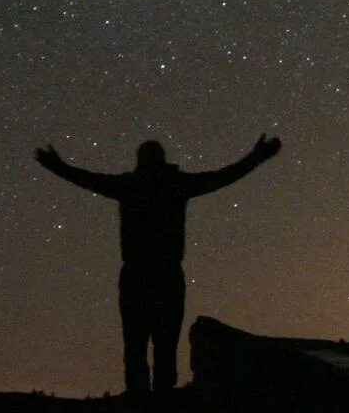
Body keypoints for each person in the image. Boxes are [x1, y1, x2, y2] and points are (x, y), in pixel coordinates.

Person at [35, 134, 282, 396]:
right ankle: (158, 395)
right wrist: (255, 158)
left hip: (141, 274)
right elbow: (222, 177)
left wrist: (57, 167)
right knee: (158, 342)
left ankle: (142, 397)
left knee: (138, 343)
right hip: (162, 274)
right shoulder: (172, 184)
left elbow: (88, 179)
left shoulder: (133, 185)